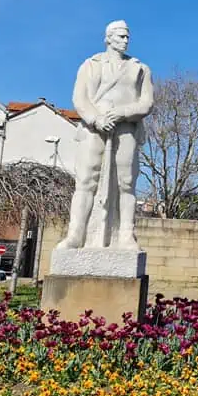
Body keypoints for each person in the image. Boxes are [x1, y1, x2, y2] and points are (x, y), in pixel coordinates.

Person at [56, 20, 154, 251]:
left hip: (126, 128)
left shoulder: (140, 68)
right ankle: (76, 235)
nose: (125, 40)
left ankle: (126, 236)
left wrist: (121, 113)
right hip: (94, 129)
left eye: (127, 37)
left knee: (126, 183)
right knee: (86, 182)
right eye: (120, 36)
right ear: (108, 38)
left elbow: (146, 103)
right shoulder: (90, 65)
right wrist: (97, 119)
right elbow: (80, 99)